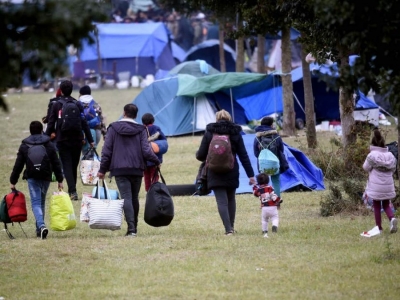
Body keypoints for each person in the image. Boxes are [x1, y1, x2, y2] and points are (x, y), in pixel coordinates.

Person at [97, 104, 160, 237]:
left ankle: (131, 229)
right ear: (136, 115)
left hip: (119, 169)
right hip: (137, 168)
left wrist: (102, 170)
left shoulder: (113, 128)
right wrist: (156, 161)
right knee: (134, 198)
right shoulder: (141, 129)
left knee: (126, 197)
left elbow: (106, 151)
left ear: (124, 112)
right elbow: (146, 150)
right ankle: (134, 226)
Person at [196, 109, 256, 235]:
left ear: (217, 119)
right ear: (229, 118)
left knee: (221, 201)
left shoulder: (210, 132)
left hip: (214, 171)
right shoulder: (235, 133)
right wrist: (251, 175)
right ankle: (232, 227)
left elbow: (201, 155)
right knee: (231, 199)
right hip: (231, 170)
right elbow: (243, 155)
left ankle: (228, 229)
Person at [10, 121, 64, 239]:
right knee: (41, 202)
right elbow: (56, 163)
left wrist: (13, 181)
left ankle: (41, 225)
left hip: (32, 177)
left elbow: (18, 165)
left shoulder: (25, 145)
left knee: (35, 202)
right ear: (41, 131)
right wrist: (60, 179)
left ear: (30, 131)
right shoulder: (48, 144)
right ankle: (39, 229)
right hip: (46, 177)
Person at [45, 80, 94, 200]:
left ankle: (73, 191)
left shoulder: (57, 104)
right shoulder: (77, 104)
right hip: (77, 139)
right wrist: (90, 139)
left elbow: (51, 123)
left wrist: (45, 138)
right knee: (73, 165)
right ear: (72, 90)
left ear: (61, 90)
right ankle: (73, 190)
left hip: (62, 139)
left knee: (66, 164)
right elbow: (84, 123)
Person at [362, 129, 397, 234]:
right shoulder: (391, 155)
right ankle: (391, 218)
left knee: (376, 205)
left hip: (376, 186)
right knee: (386, 205)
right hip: (388, 185)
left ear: (373, 143)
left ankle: (379, 227)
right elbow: (393, 169)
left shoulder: (372, 156)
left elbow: (365, 167)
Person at [253, 116, 288, 200]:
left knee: (263, 183)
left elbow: (256, 153)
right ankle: (277, 201)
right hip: (275, 164)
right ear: (271, 125)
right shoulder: (276, 136)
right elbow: (281, 150)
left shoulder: (257, 138)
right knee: (276, 182)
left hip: (262, 165)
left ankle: (265, 201)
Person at [141, 113, 167, 192]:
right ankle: (155, 190)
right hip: (155, 158)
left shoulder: (141, 129)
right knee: (155, 175)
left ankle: (148, 190)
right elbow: (163, 141)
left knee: (146, 175)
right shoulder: (156, 128)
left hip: (145, 159)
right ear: (153, 120)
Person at [252, 173, 280, 238]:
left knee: (264, 220)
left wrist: (254, 186)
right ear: (268, 180)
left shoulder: (258, 190)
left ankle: (264, 231)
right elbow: (273, 196)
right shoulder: (270, 188)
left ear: (258, 182)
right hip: (272, 207)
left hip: (264, 208)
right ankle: (274, 226)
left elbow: (255, 193)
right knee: (275, 218)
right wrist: (278, 200)